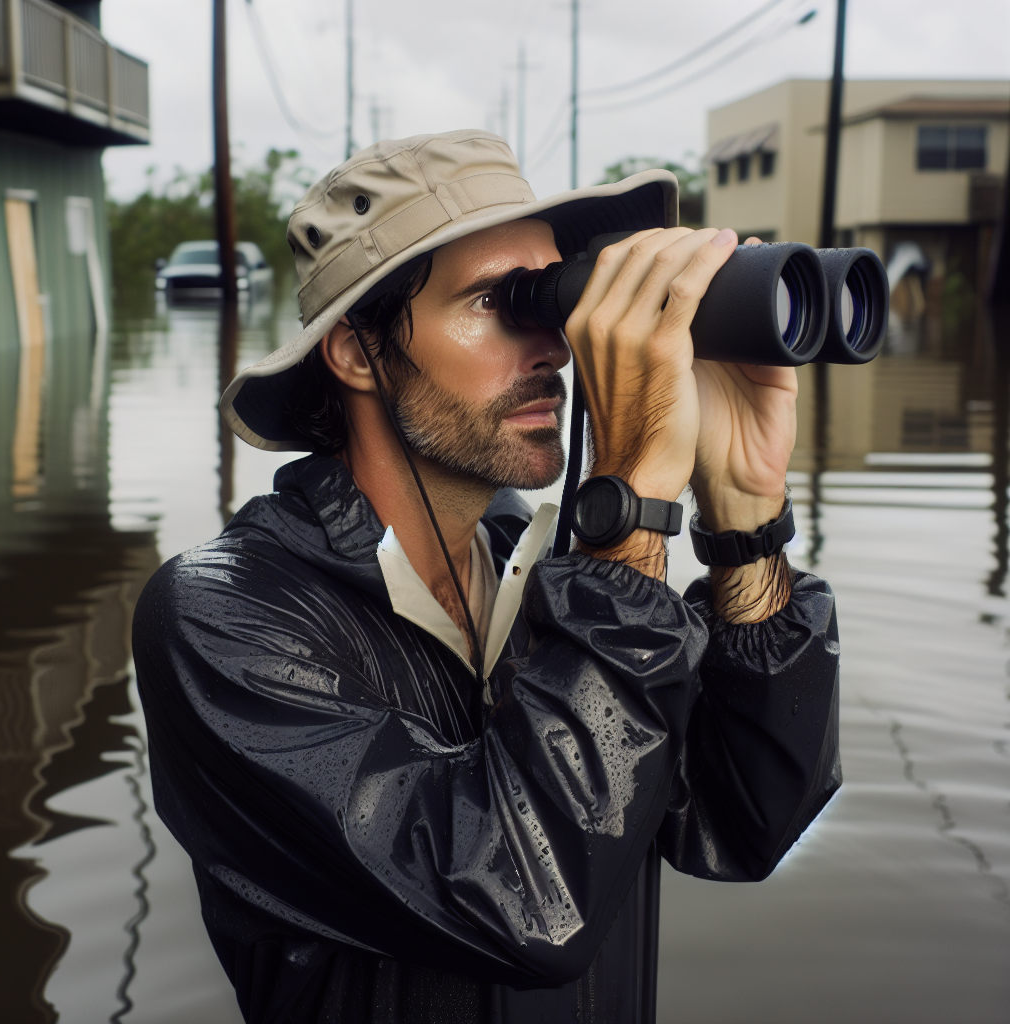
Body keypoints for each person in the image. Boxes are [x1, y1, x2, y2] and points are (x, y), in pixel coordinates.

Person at [134, 130, 840, 1024]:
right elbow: (524, 901)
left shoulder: (562, 576)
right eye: (498, 302)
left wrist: (744, 514)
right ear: (357, 351)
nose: (552, 346)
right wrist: (628, 504)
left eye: (554, 297)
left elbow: (745, 823)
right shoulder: (226, 616)